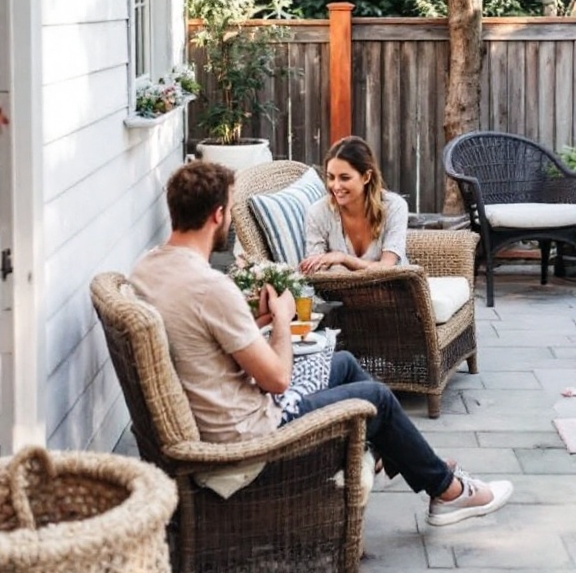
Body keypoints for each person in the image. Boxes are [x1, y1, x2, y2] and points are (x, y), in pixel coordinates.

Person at [131, 160, 513, 527]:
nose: (229, 220)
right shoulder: (210, 287)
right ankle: (449, 491)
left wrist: (258, 320)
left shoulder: (148, 268)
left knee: (344, 362)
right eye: (229, 210)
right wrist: (281, 317)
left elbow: (203, 336)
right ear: (217, 215)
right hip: (250, 438)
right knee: (375, 397)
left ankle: (391, 452)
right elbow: (278, 380)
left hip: (220, 408)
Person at [300, 135, 408, 274]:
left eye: (344, 178)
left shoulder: (394, 207)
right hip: (339, 294)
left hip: (390, 291)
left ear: (366, 177)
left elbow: (387, 267)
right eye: (331, 177)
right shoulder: (318, 213)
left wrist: (344, 259)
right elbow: (315, 271)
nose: (336, 186)